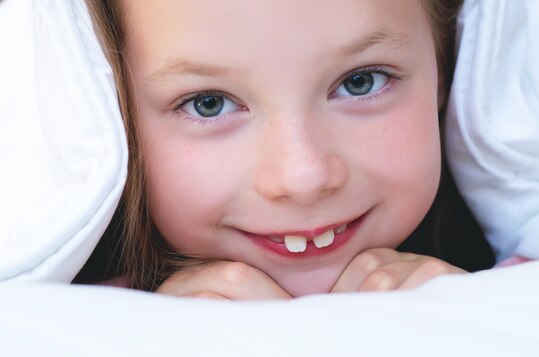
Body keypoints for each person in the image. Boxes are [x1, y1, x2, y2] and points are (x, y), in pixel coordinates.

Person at [78, 0, 493, 299]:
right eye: (209, 103)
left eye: (361, 81)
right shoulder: (44, 325)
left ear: (445, 66)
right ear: (114, 116)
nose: (303, 178)